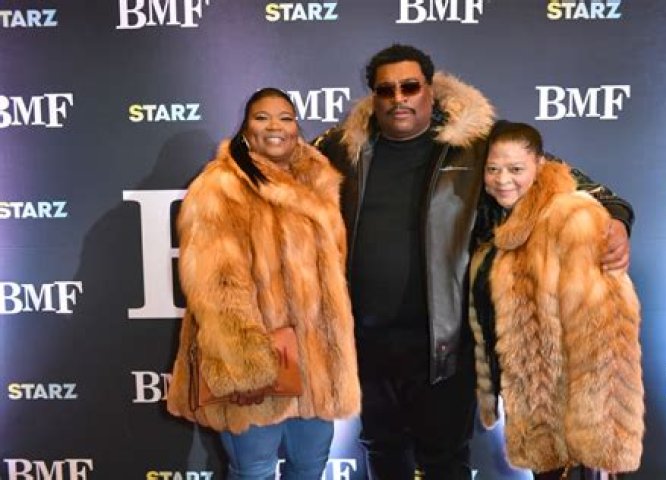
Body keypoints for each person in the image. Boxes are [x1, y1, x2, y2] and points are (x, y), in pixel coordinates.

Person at [313, 44, 634, 480]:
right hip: (365, 342)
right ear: (374, 97)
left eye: (410, 87)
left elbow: (568, 182)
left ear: (430, 90)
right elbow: (274, 172)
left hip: (445, 343)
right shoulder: (341, 149)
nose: (399, 98)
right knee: (381, 449)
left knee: (444, 458)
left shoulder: (476, 143)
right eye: (386, 90)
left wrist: (615, 219)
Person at [166, 87, 361, 480]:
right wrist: (247, 366)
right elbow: (217, 285)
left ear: (296, 126)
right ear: (246, 128)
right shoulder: (220, 186)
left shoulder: (320, 180)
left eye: (286, 118)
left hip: (315, 362)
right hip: (254, 361)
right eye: (262, 117)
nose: (276, 126)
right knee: (254, 471)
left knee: (310, 468)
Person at [469, 121, 644, 480]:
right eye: (493, 169)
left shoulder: (572, 215)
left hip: (580, 407)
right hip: (535, 403)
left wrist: (602, 427)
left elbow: (604, 332)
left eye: (516, 169)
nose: (503, 179)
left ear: (540, 165)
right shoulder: (493, 223)